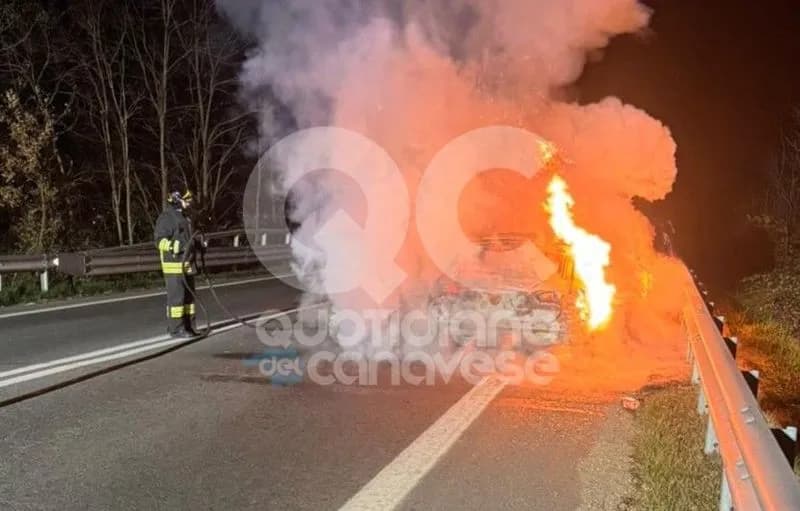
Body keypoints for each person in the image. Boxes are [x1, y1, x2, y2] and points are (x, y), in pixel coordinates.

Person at [154, 190, 197, 338]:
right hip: (174, 265)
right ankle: (176, 329)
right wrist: (173, 246)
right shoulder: (167, 217)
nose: (189, 203)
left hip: (187, 264)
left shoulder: (185, 217)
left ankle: (189, 326)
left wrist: (199, 244)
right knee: (177, 298)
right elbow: (159, 241)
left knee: (189, 299)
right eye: (187, 200)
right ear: (176, 200)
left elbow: (188, 238)